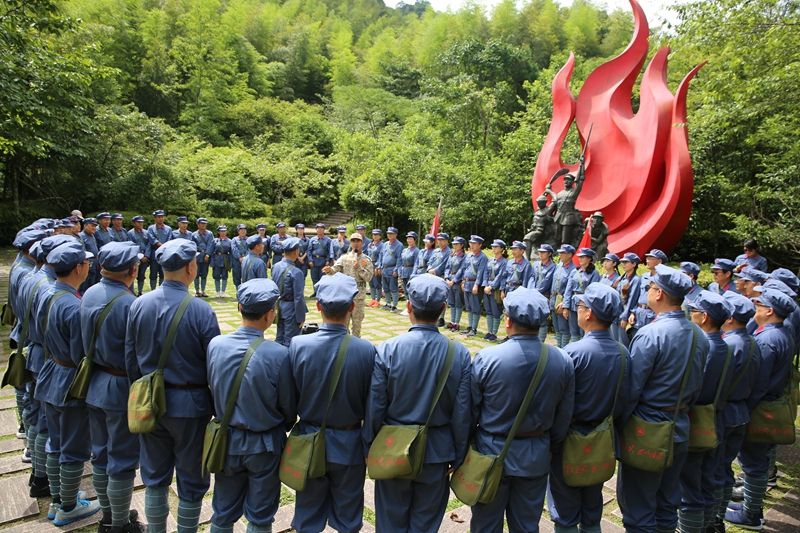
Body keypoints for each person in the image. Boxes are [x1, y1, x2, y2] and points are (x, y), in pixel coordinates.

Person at [125, 239, 221, 532]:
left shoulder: (138, 304)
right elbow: (214, 366)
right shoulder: (201, 311)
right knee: (192, 479)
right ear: (191, 268)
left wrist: (139, 393)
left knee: (154, 477)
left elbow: (131, 357)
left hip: (149, 403)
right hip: (191, 407)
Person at [365, 274, 472, 533]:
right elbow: (462, 413)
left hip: (393, 446)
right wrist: (459, 455)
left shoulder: (388, 349)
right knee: (425, 524)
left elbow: (376, 406)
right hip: (437, 451)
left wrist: (370, 446)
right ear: (444, 309)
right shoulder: (458, 353)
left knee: (390, 522)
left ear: (409, 307)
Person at [471, 286, 575, 532]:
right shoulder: (562, 360)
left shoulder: (487, 358)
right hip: (536, 453)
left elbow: (470, 411)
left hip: (491, 451)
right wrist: (551, 446)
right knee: (527, 524)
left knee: (486, 524)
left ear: (507, 321)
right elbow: (564, 417)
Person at [617, 264, 710, 533]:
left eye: (650, 287)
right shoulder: (698, 335)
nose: (647, 291)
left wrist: (620, 425)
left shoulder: (651, 334)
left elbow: (631, 390)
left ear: (659, 294)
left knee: (638, 508)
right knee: (667, 504)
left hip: (647, 429)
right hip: (680, 426)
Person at [288, 274, 377, 533]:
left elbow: (289, 397)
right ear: (352, 307)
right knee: (348, 518)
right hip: (349, 444)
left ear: (317, 306)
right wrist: (368, 443)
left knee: (307, 512)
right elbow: (373, 405)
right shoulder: (366, 350)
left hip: (308, 440)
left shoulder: (298, 345)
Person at [206, 278, 296, 533]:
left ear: (238, 308)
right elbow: (288, 406)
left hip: (226, 440)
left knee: (222, 511)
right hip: (264, 444)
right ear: (271, 315)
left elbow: (213, 386)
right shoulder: (278, 354)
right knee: (260, 515)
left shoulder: (216, 345)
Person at [547, 284, 627, 533]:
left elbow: (557, 404)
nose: (576, 310)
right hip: (603, 439)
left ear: (589, 313)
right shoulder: (624, 352)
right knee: (593, 507)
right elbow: (626, 400)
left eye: (580, 306)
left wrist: (554, 440)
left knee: (565, 511)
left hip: (569, 441)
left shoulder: (572, 352)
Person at [34, 241, 100, 525]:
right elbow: (80, 353)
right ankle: (69, 506)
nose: (89, 266)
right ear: (78, 268)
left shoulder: (47, 294)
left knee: (56, 443)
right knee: (73, 447)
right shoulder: (74, 305)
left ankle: (58, 502)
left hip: (50, 374)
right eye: (86, 262)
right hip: (70, 381)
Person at [82, 242, 145, 533]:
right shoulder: (130, 304)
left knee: (101, 454)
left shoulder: (89, 292)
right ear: (133, 271)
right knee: (121, 458)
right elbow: (136, 358)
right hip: (120, 388)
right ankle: (118, 525)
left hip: (94, 383)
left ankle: (108, 516)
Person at [725, 287, 797, 529]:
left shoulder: (767, 339)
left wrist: (745, 408)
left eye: (759, 305)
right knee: (758, 458)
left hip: (761, 407)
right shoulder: (780, 333)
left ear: (769, 310)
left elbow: (758, 382)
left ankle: (751, 513)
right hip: (770, 402)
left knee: (753, 461)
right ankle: (749, 506)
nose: (755, 309)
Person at [23, 235, 75, 501]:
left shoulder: (36, 280)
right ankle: (58, 497)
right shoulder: (51, 289)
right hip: (51, 361)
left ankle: (41, 478)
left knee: (43, 424)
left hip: (43, 358)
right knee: (52, 432)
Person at [679, 291, 735, 533]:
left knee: (690, 485)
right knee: (707, 480)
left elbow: (694, 389)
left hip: (698, 421)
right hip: (716, 418)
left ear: (703, 318)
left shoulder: (706, 348)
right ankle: (710, 525)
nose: (690, 315)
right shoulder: (725, 345)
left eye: (694, 312)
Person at [714, 293, 761, 530]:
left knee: (715, 471)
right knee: (725, 469)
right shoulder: (751, 340)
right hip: (740, 412)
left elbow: (717, 384)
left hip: (724, 413)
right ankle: (717, 518)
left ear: (730, 317)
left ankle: (712, 520)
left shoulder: (729, 344)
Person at [323, 233, 374, 337]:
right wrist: (329, 270)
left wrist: (359, 268)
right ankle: (343, 345)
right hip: (345, 296)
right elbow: (335, 269)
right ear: (350, 243)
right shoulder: (344, 257)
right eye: (353, 241)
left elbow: (368, 278)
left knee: (357, 325)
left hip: (358, 297)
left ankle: (355, 345)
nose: (355, 243)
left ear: (362, 243)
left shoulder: (366, 260)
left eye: (358, 241)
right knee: (343, 324)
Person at [271, 237, 307, 347]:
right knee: (290, 341)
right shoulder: (296, 272)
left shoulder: (275, 266)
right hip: (291, 309)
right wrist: (301, 317)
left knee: (279, 337)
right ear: (296, 252)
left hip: (279, 306)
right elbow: (298, 297)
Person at [563, 248, 601, 343]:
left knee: (583, 330)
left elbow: (593, 290)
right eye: (579, 257)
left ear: (589, 259)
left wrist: (588, 306)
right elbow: (568, 290)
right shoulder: (574, 272)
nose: (580, 259)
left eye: (583, 257)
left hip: (585, 305)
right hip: (573, 304)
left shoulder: (594, 273)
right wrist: (566, 306)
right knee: (573, 331)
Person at [628, 249, 667, 337]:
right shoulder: (644, 276)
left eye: (650, 258)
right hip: (639, 313)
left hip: (653, 315)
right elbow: (637, 296)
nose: (647, 260)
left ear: (659, 261)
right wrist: (633, 312)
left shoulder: (663, 279)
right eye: (647, 258)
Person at [528, 243, 557, 342]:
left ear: (549, 254)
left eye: (543, 252)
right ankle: (533, 340)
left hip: (544, 297)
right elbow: (531, 277)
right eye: (540, 252)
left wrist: (535, 292)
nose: (540, 254)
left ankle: (540, 342)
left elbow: (546, 282)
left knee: (543, 321)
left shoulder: (553, 267)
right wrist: (531, 290)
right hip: (533, 295)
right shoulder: (536, 264)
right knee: (533, 319)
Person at [480, 239, 508, 341]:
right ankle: (489, 331)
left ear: (502, 249)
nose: (494, 248)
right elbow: (485, 274)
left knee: (495, 311)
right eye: (493, 246)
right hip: (487, 288)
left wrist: (491, 287)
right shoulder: (490, 260)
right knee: (488, 311)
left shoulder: (504, 262)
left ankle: (494, 333)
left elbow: (500, 276)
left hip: (495, 290)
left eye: (496, 247)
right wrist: (485, 286)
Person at [550, 244, 577, 348]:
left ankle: (564, 348)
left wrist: (565, 302)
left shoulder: (573, 269)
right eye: (560, 252)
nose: (560, 255)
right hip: (554, 299)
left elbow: (570, 288)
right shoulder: (558, 266)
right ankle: (559, 346)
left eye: (563, 253)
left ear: (570, 255)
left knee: (563, 328)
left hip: (562, 301)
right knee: (556, 327)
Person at [461, 235, 488, 337]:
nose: (471, 245)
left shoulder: (483, 257)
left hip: (474, 284)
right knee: (468, 307)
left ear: (480, 245)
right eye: (471, 243)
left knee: (475, 307)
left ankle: (474, 328)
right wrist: (463, 281)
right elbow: (465, 269)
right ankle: (469, 326)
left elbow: (481, 272)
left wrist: (476, 285)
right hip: (467, 283)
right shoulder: (468, 256)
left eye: (474, 244)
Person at [617, 253, 642, 346]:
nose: (623, 264)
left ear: (634, 264)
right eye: (622, 262)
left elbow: (632, 299)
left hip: (627, 316)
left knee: (625, 343)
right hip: (619, 313)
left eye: (626, 262)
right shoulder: (622, 279)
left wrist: (624, 317)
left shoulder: (636, 280)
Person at [377, 227, 404, 311]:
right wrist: (380, 266)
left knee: (393, 288)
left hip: (392, 269)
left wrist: (396, 270)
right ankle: (388, 303)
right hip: (384, 269)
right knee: (385, 288)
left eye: (391, 233)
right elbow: (381, 256)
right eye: (388, 233)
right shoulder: (385, 244)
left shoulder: (399, 245)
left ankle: (394, 305)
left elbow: (399, 259)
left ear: (395, 234)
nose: (389, 235)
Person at [428, 232, 451, 327]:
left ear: (447, 241)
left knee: (441, 298)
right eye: (439, 240)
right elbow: (430, 261)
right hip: (432, 276)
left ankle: (441, 318)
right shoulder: (436, 251)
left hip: (441, 277)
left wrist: (435, 270)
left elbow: (444, 265)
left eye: (443, 240)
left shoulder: (449, 252)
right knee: (432, 297)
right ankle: (433, 317)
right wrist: (429, 269)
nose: (440, 242)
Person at [444, 236, 467, 331]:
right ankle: (452, 321)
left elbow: (461, 270)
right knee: (451, 303)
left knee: (458, 303)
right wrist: (446, 278)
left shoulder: (464, 257)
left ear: (462, 245)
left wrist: (453, 280)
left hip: (456, 282)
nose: (454, 245)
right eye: (453, 244)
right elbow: (447, 267)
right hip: (449, 281)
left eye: (457, 244)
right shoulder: (452, 255)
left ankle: (456, 323)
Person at [146, 210, 172, 290]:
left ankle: (161, 290)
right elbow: (152, 239)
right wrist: (162, 245)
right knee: (153, 273)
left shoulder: (168, 229)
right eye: (158, 217)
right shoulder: (151, 228)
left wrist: (164, 247)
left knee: (163, 273)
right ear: (155, 218)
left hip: (165, 254)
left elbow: (169, 239)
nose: (160, 218)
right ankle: (152, 290)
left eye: (162, 217)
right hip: (154, 254)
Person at [127, 216, 151, 296]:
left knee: (142, 275)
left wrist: (146, 256)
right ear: (134, 223)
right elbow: (131, 245)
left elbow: (149, 244)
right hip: (135, 258)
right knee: (132, 274)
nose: (140, 224)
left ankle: (140, 291)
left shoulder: (146, 232)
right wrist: (139, 257)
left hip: (145, 258)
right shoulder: (130, 233)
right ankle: (131, 291)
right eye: (138, 222)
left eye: (142, 222)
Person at [308, 223, 333, 295]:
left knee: (323, 277)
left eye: (321, 228)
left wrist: (328, 260)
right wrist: (310, 260)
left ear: (324, 230)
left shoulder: (328, 240)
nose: (320, 230)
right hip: (314, 260)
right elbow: (309, 250)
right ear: (316, 230)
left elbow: (329, 251)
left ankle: (322, 292)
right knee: (314, 277)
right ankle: (315, 292)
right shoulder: (312, 239)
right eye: (318, 228)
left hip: (323, 260)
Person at [192, 217, 214, 297]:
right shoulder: (193, 234)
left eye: (205, 224)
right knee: (196, 274)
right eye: (202, 223)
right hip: (197, 256)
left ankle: (203, 291)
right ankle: (197, 291)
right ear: (198, 224)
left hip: (206, 256)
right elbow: (192, 245)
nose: (204, 225)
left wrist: (207, 254)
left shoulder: (210, 234)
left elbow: (211, 244)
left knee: (204, 274)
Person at [79, 217, 101, 292]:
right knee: (85, 288)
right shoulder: (81, 236)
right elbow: (83, 253)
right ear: (85, 225)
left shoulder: (92, 236)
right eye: (92, 226)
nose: (94, 228)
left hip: (95, 266)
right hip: (87, 267)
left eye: (95, 226)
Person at [211, 225, 232, 297]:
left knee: (224, 276)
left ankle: (223, 292)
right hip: (216, 259)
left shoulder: (230, 241)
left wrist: (230, 262)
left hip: (225, 260)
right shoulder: (214, 240)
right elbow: (211, 251)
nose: (223, 232)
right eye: (221, 231)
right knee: (216, 276)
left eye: (224, 231)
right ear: (219, 232)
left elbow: (231, 252)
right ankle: (217, 292)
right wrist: (212, 261)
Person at [399, 231, 420, 301]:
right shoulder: (405, 250)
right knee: (405, 290)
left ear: (415, 240)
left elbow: (416, 264)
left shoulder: (416, 251)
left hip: (411, 272)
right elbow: (401, 261)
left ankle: (412, 306)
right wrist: (400, 271)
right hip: (404, 272)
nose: (409, 240)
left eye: (411, 239)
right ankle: (408, 305)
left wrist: (413, 274)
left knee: (411, 290)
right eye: (408, 238)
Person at [366, 229, 384, 307]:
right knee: (371, 283)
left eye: (377, 235)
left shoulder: (382, 245)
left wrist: (379, 267)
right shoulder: (370, 244)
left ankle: (377, 300)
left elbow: (381, 256)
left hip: (376, 266)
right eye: (374, 235)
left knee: (377, 283)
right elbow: (367, 255)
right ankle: (373, 299)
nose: (375, 236)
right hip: (370, 265)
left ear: (380, 236)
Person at [230, 224, 249, 289]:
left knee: (246, 277)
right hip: (236, 261)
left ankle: (246, 291)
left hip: (247, 261)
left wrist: (245, 257)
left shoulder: (249, 239)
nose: (243, 231)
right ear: (238, 231)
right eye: (241, 230)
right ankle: (238, 291)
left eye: (244, 230)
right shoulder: (234, 239)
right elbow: (234, 249)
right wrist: (239, 257)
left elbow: (250, 249)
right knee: (236, 277)